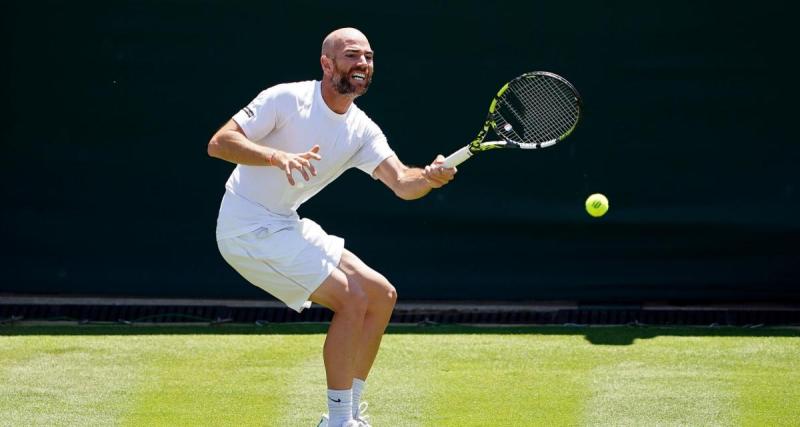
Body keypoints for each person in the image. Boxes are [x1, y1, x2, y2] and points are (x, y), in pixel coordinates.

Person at [207, 27, 456, 427]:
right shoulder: (286, 98)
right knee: (352, 299)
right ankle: (338, 421)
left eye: (369, 57)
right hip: (245, 229)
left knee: (381, 295)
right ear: (327, 64)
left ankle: (352, 413)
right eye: (352, 56)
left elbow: (403, 184)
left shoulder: (362, 130)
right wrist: (276, 157)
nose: (362, 64)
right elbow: (219, 143)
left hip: (284, 223)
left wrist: (429, 177)